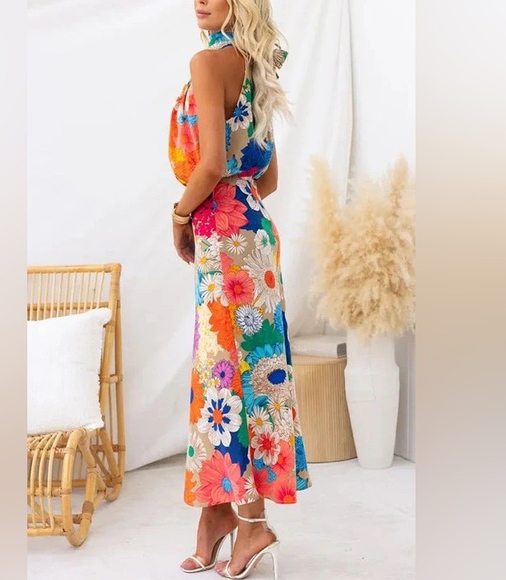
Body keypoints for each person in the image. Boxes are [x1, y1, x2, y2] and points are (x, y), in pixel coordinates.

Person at [169, 1, 312, 578]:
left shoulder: (209, 63)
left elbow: (210, 165)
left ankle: (250, 522)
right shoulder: (257, 65)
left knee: (226, 377)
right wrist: (230, 204)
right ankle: (219, 512)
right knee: (242, 372)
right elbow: (267, 177)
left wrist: (180, 215)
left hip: (223, 238)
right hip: (253, 233)